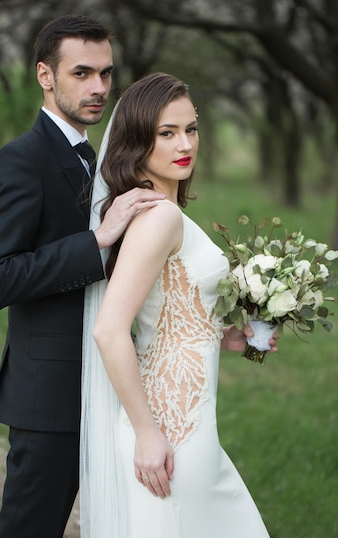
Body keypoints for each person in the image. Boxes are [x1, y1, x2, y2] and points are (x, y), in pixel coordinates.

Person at [0, 15, 164, 538]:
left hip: (112, 385)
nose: (99, 88)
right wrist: (95, 241)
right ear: (45, 75)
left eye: (106, 74)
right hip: (50, 396)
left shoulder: (103, 163)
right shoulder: (20, 161)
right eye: (82, 73)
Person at [80, 72, 278, 537]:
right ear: (138, 141)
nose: (184, 143)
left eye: (190, 128)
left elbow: (172, 312)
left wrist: (234, 339)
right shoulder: (160, 216)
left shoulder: (165, 213)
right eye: (166, 133)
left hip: (192, 418)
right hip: (170, 427)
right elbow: (110, 330)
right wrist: (149, 435)